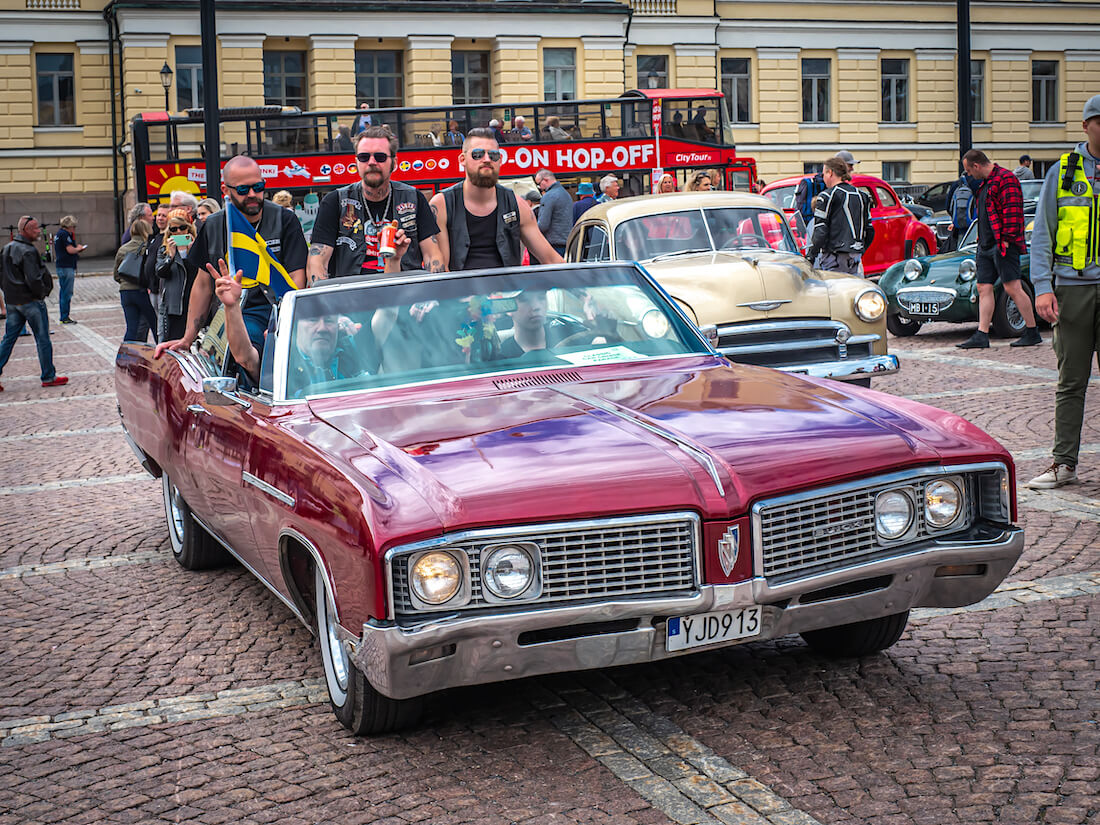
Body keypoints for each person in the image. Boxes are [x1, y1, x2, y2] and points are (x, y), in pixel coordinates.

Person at [154, 155, 308, 359]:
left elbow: (297, 277)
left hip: (276, 309)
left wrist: (285, 323)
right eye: (243, 189)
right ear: (225, 190)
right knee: (231, 355)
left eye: (258, 187)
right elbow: (202, 285)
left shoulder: (284, 219)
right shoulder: (214, 225)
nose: (253, 194)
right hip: (232, 312)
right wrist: (187, 338)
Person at [1026, 94, 1100, 489]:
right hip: (1072, 290)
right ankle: (1064, 463)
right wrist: (1042, 287)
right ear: (1086, 126)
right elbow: (1042, 235)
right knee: (1071, 381)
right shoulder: (1063, 172)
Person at [309, 125, 442, 281]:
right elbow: (317, 261)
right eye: (364, 157)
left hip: (406, 294)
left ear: (395, 162)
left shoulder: (414, 198)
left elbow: (432, 255)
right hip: (350, 298)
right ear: (356, 162)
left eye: (380, 157)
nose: (371, 162)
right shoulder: (334, 202)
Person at [429, 128, 563, 271]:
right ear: (462, 160)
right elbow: (440, 269)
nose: (486, 159)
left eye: (493, 155)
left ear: (500, 160)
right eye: (477, 154)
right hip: (461, 291)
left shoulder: (516, 205)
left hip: (508, 291)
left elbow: (550, 258)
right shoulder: (442, 204)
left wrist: (582, 287)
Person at [957, 148, 1041, 349]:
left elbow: (1013, 212)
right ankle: (982, 334)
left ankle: (1032, 331)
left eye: (969, 171)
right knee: (983, 287)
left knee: (1012, 287)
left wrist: (1006, 240)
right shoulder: (987, 182)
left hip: (1002, 245)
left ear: (976, 166)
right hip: (986, 244)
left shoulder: (1006, 179)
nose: (969, 175)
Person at [0, 216, 68, 390]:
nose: (39, 231)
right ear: (26, 230)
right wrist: (42, 294)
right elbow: (34, 279)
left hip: (13, 301)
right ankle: (48, 376)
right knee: (42, 338)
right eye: (36, 228)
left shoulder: (7, 249)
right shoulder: (27, 251)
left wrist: (8, 294)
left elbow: (2, 276)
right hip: (30, 301)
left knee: (8, 339)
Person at [806, 157, 873, 276]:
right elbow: (870, 231)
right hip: (854, 257)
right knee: (852, 290)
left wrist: (810, 257)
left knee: (834, 291)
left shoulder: (826, 196)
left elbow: (820, 230)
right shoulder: (863, 196)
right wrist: (859, 249)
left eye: (824, 174)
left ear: (830, 172)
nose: (823, 178)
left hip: (834, 257)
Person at [155, 208, 197, 341]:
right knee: (175, 341)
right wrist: (170, 256)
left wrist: (193, 253)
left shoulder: (196, 247)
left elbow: (201, 272)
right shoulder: (164, 250)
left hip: (195, 301)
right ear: (169, 232)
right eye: (174, 229)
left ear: (188, 229)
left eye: (182, 228)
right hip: (175, 305)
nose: (179, 232)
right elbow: (160, 272)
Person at [114, 218, 157, 344]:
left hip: (125, 292)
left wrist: (125, 282)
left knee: (131, 327)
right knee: (154, 325)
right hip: (142, 291)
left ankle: (127, 355)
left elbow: (116, 274)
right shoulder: (148, 247)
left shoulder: (123, 249)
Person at [533, 169, 573, 261]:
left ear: (546, 180)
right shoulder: (566, 195)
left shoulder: (548, 196)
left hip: (553, 245)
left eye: (539, 184)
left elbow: (543, 225)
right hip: (566, 242)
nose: (539, 187)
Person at [53, 215, 87, 325]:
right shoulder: (64, 234)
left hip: (62, 266)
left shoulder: (59, 234)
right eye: (73, 226)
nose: (74, 229)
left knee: (64, 291)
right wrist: (79, 249)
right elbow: (70, 250)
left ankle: (64, 315)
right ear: (69, 226)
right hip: (66, 266)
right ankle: (64, 316)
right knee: (66, 292)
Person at [945, 172, 978, 252]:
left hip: (960, 225)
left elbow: (948, 206)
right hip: (976, 226)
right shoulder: (979, 183)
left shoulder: (956, 185)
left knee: (962, 250)